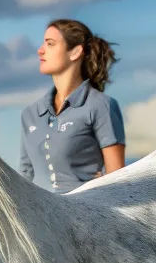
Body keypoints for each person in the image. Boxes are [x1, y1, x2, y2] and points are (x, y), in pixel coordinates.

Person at [19, 18, 125, 193]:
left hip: (85, 215)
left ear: (75, 52)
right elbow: (25, 175)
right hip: (36, 217)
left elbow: (118, 178)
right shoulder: (29, 114)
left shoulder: (101, 106)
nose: (40, 50)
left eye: (50, 44)